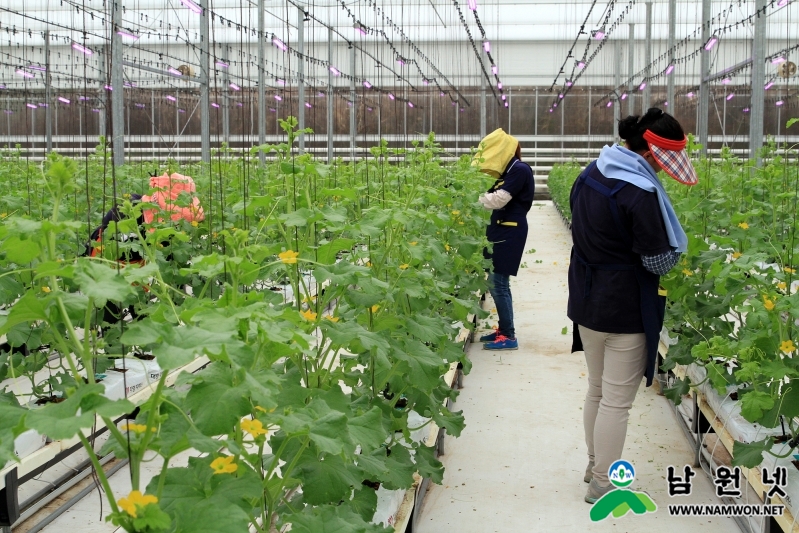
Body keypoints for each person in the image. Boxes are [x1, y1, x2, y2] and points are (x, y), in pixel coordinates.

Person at [567, 108, 697, 503]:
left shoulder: (590, 173)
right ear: (656, 154)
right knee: (617, 401)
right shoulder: (638, 192)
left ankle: (593, 463)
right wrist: (673, 256)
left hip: (587, 298)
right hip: (625, 305)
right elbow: (656, 260)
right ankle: (603, 482)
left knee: (596, 389)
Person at [473, 128, 535, 351]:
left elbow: (499, 199)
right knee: (499, 283)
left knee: (498, 284)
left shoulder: (519, 170)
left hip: (510, 231)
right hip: (500, 230)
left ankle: (509, 335)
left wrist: (471, 199)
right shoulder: (507, 171)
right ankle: (504, 329)